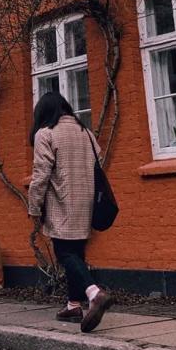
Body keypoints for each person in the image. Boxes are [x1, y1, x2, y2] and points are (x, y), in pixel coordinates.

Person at [27, 91, 113, 333]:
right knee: (77, 253)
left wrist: (34, 207)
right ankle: (73, 306)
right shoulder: (84, 132)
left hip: (61, 201)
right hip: (86, 201)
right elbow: (100, 159)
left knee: (64, 252)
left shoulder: (46, 134)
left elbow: (41, 175)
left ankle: (94, 293)